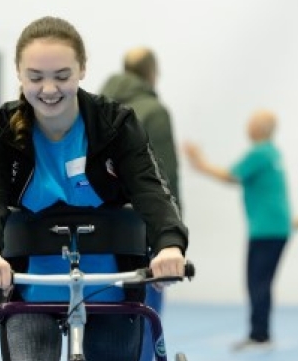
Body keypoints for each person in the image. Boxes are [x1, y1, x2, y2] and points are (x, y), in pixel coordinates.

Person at [0, 16, 188, 361]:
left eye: (62, 76)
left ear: (82, 69)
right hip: (29, 281)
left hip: (111, 280)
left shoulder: (115, 123)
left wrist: (169, 245)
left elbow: (152, 190)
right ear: (19, 74)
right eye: (36, 77)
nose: (49, 89)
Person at [183, 109, 290, 352]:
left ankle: (260, 336)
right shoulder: (272, 152)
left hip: (267, 229)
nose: (247, 126)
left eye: (251, 122)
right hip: (275, 227)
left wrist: (199, 162)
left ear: (260, 128)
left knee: (257, 282)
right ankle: (260, 333)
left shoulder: (260, 153)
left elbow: (230, 176)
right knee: (261, 282)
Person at [100, 47, 180, 361]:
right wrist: (171, 237)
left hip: (101, 230)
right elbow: (165, 178)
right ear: (152, 73)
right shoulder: (154, 111)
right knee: (145, 312)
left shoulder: (99, 106)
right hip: (140, 228)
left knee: (103, 314)